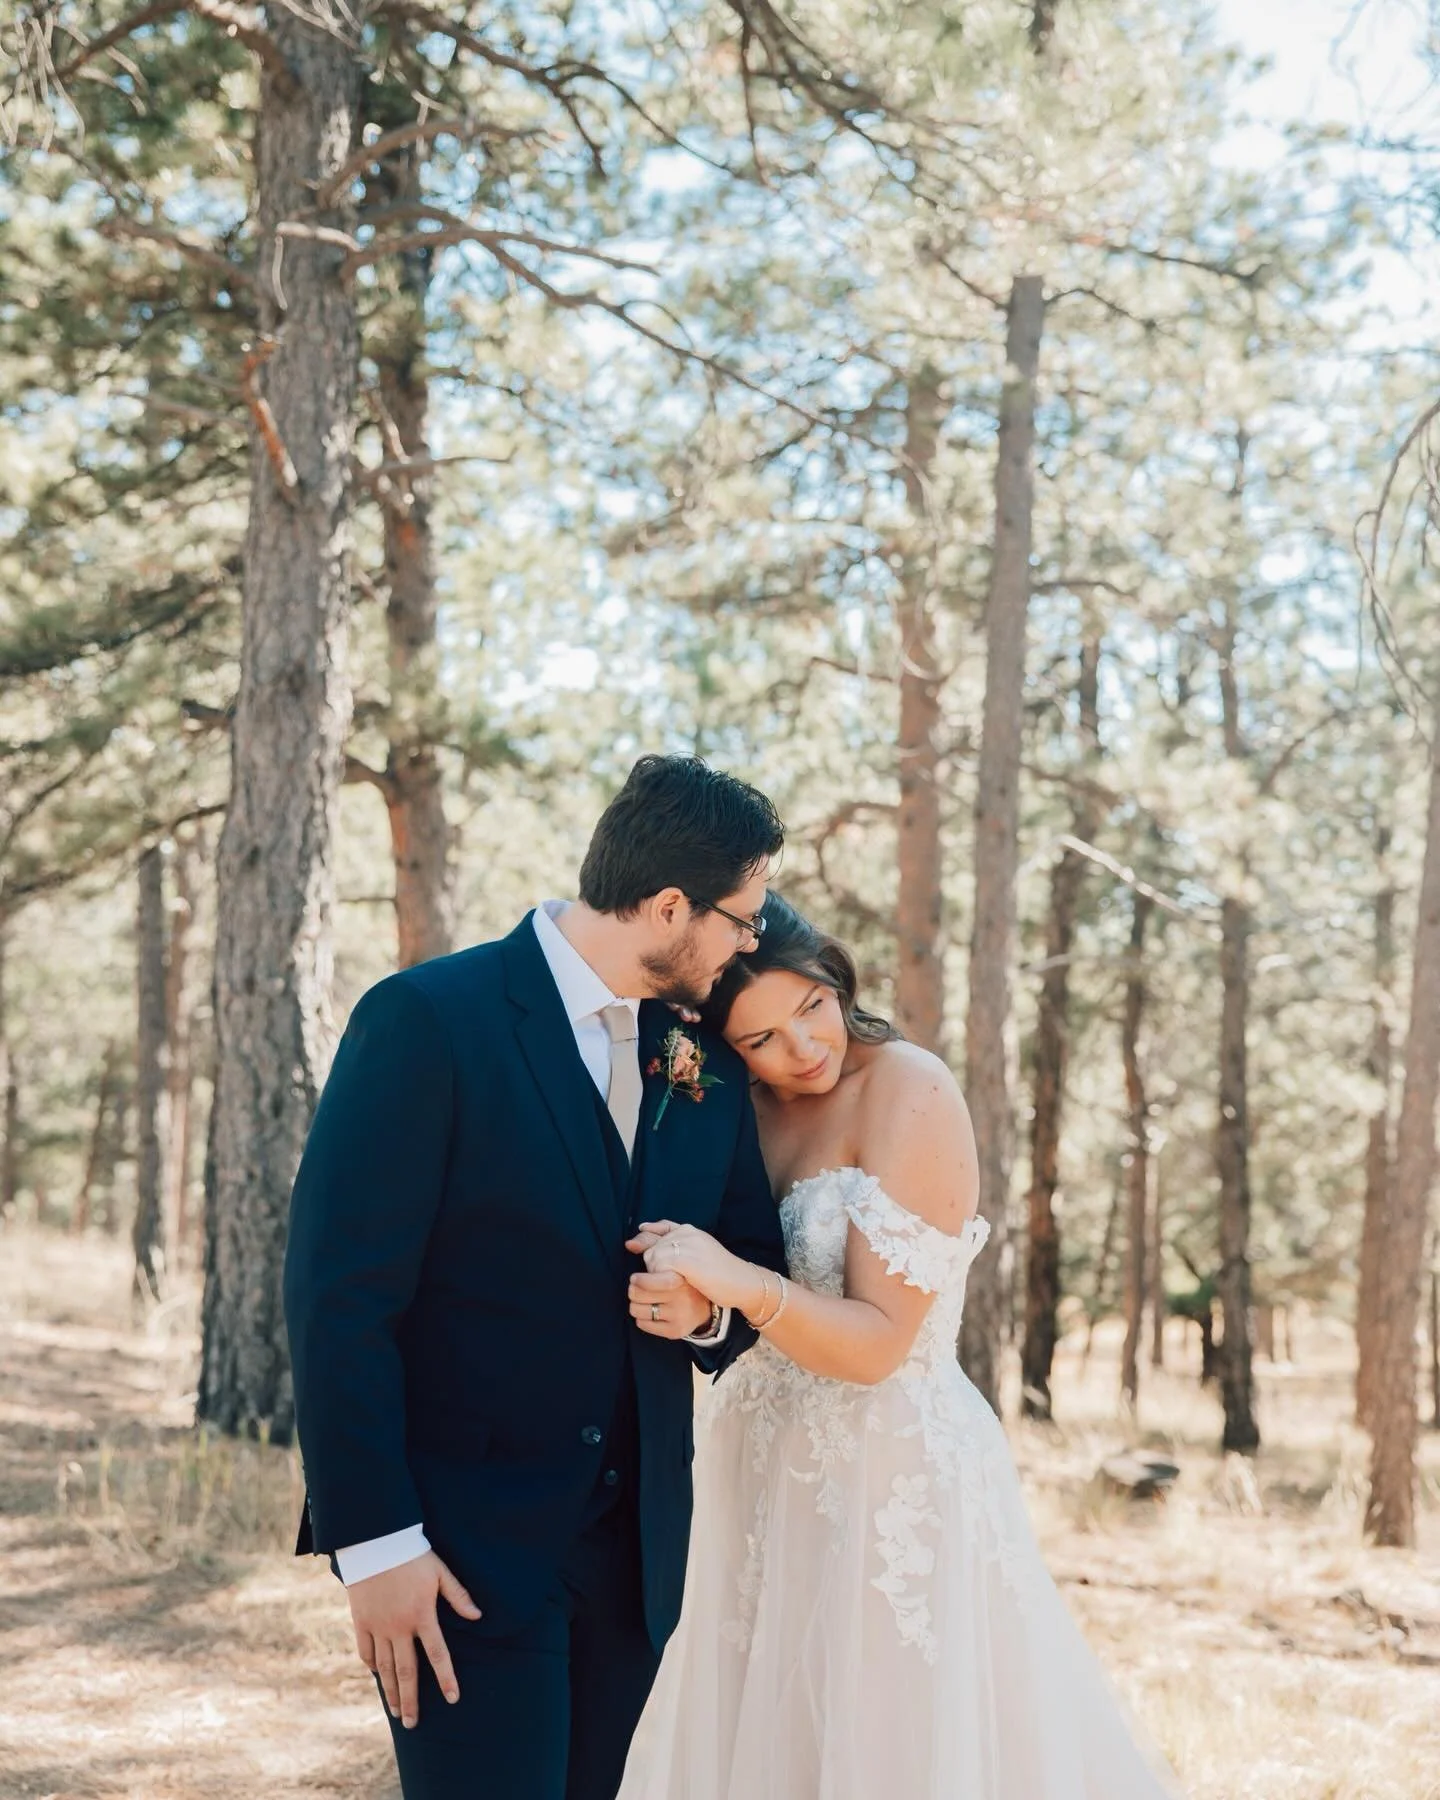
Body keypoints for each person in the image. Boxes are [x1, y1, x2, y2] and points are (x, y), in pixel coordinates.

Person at [282, 754, 788, 1800]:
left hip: (635, 1568)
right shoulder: (428, 1020)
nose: (752, 941)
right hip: (457, 1563)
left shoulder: (704, 1059)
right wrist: (374, 1548)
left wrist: (706, 1314)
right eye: (740, 918)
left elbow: (753, 1264)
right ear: (665, 907)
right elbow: (339, 1301)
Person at [619, 893, 1179, 1800]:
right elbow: (724, 1274)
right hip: (755, 1467)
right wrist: (697, 1306)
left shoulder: (909, 1089)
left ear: (835, 976)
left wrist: (740, 1286)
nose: (804, 1048)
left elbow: (880, 1341)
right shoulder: (733, 1108)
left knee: (888, 1743)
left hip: (889, 1474)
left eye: (811, 1006)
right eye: (761, 1039)